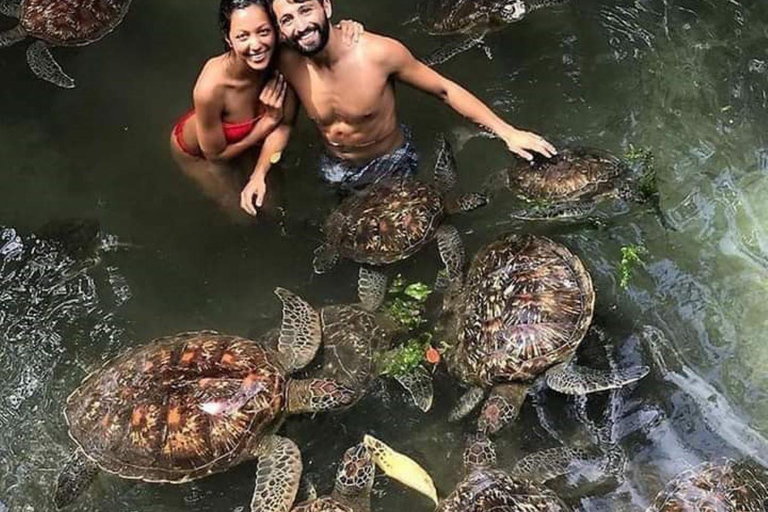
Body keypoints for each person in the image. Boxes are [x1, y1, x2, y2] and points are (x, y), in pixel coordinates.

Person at [238, 0, 557, 215]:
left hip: (392, 163)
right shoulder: (288, 62)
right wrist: (259, 173)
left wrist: (508, 132)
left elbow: (445, 89)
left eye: (306, 10)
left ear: (326, 5)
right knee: (346, 233)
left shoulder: (379, 54)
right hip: (334, 166)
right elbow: (283, 122)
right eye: (287, 20)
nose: (300, 25)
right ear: (280, 30)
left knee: (404, 231)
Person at [170, 0, 362, 219]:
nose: (256, 45)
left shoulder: (284, 60)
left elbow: (285, 124)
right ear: (228, 38)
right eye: (243, 36)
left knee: (273, 205)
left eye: (263, 32)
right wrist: (266, 125)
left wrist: (346, 28)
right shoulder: (211, 88)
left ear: (276, 30)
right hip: (202, 153)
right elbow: (216, 156)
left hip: (253, 136)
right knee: (242, 216)